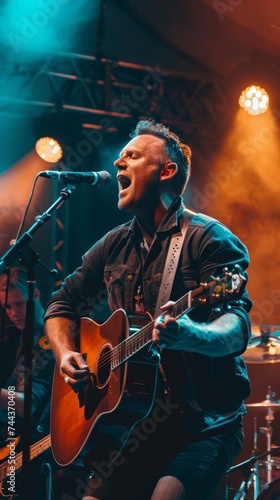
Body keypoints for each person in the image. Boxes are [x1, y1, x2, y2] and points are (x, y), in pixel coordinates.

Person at [44, 118, 252, 500]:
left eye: (133, 157)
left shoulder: (208, 238)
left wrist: (193, 335)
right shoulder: (113, 245)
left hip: (202, 424)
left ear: (167, 171)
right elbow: (61, 303)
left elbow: (237, 328)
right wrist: (65, 353)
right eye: (120, 157)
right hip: (135, 426)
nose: (118, 164)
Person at [0, 266, 55, 498]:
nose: (13, 312)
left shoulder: (49, 339)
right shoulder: (13, 337)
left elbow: (26, 407)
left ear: (36, 295)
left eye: (19, 304)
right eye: (8, 307)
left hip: (34, 450)